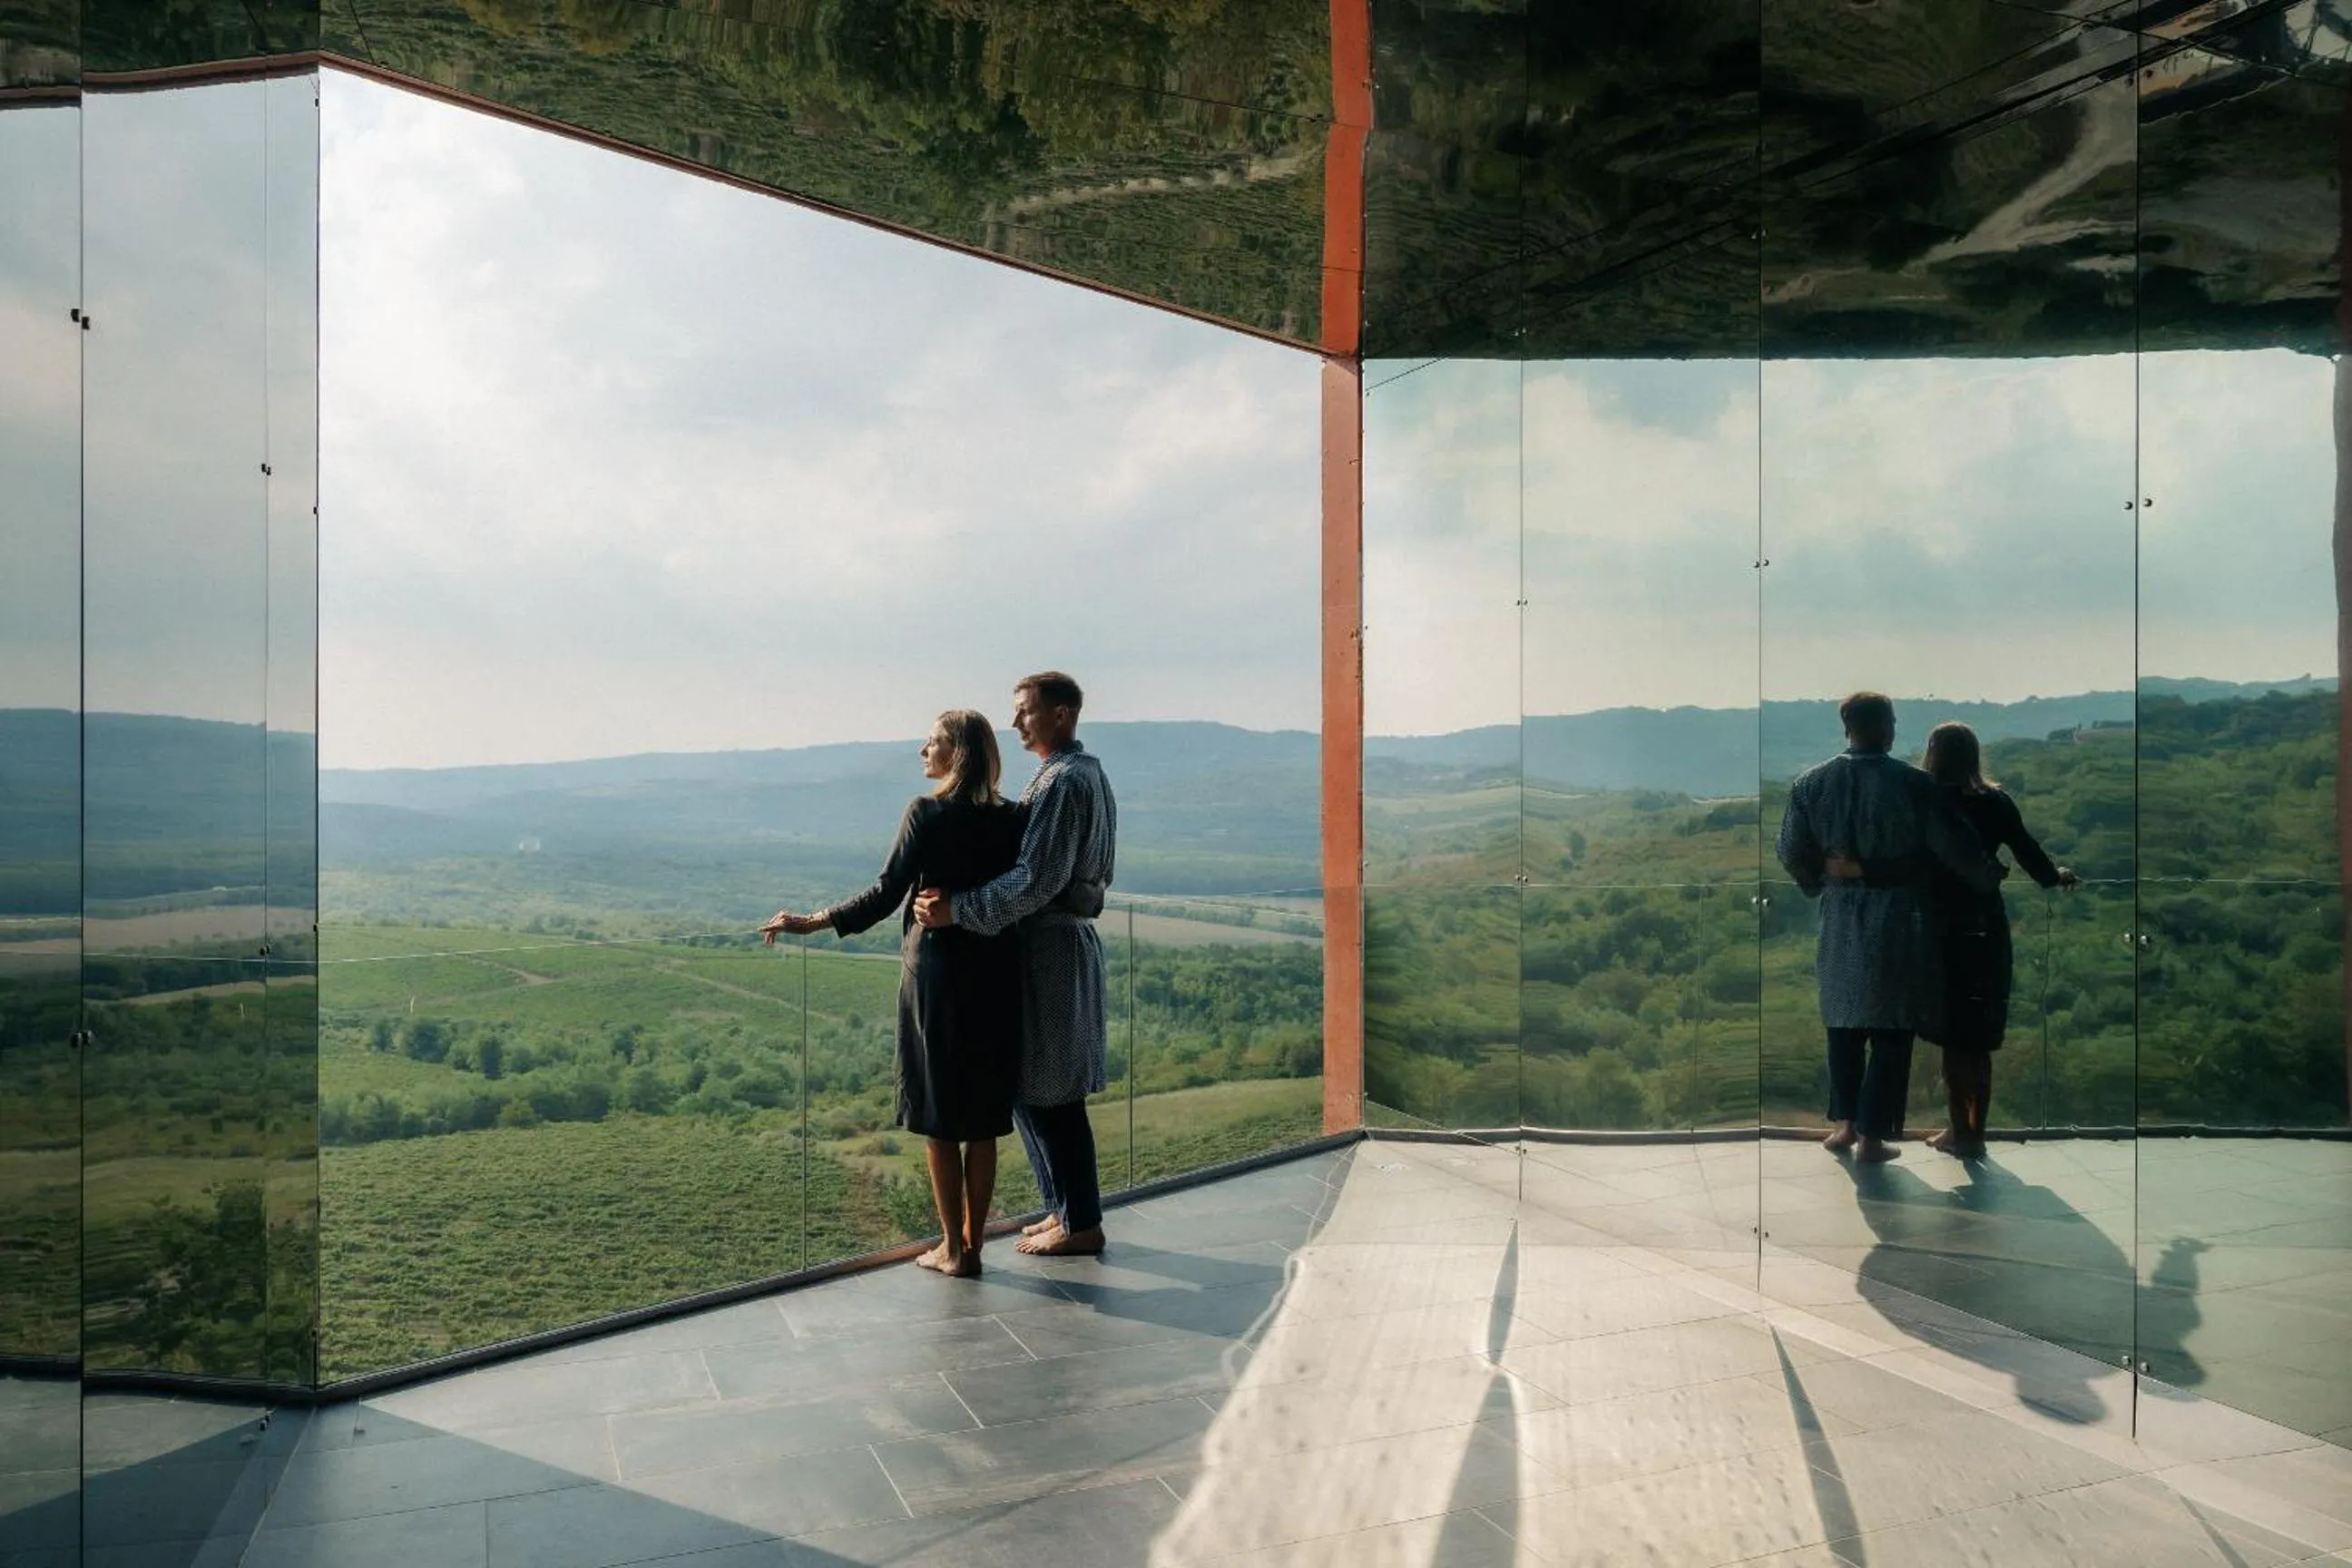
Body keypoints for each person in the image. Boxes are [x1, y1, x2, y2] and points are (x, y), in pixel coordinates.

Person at [760, 710, 1024, 1279]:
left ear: (956, 752)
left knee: (938, 1116)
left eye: (932, 743)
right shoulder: (1013, 817)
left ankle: (951, 1249)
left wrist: (813, 921)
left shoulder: (926, 812)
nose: (922, 752)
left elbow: (886, 893)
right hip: (996, 974)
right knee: (983, 1120)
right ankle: (974, 1247)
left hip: (939, 974)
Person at [915, 671, 1117, 1258]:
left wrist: (959, 909)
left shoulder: (1062, 782)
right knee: (1035, 1085)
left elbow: (1034, 880)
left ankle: (1081, 1222)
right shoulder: (1085, 774)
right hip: (1056, 944)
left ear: (1062, 714)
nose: (1016, 722)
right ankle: (1064, 1209)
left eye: (1026, 711)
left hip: (1049, 950)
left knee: (1053, 1092)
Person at [1827, 721, 2079, 1161]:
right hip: (1984, 925)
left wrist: (1854, 868)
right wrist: (2055, 877)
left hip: (1929, 928)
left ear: (1931, 754)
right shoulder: (1996, 802)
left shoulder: (1920, 798)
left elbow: (1902, 860)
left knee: (1947, 1035)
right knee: (1974, 1038)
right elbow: (2028, 852)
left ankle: (1953, 1132)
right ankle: (1970, 1133)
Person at [1775, 692, 2000, 1163]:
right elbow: (1950, 848)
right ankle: (1874, 1139)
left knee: (1843, 1025)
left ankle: (1844, 1127)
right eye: (1893, 722)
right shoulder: (1914, 785)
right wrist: (1987, 875)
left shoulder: (1810, 784)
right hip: (1901, 921)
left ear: (1847, 727)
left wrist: (1822, 878)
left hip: (1839, 921)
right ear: (1885, 727)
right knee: (1892, 1032)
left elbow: (1791, 850)